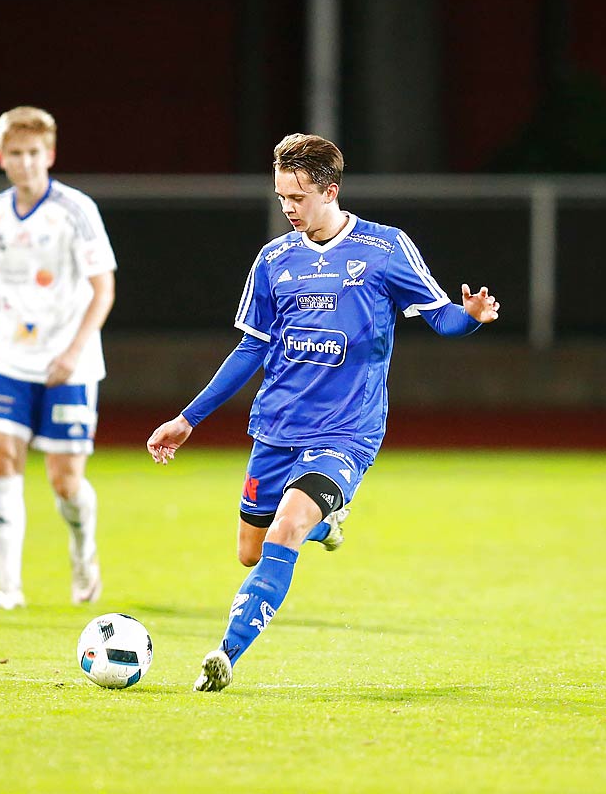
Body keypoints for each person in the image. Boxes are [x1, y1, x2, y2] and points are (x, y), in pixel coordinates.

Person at [147, 133, 500, 692]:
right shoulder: (274, 260)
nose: (287, 208)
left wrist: (472, 315)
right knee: (251, 552)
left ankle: (225, 654)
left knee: (286, 527)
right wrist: (188, 419)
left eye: (297, 197)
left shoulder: (385, 249)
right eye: (281, 196)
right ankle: (327, 523)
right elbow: (251, 349)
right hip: (278, 427)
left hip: (347, 431)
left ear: (330, 190)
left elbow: (441, 319)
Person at [0, 106, 118, 609]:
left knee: (64, 481)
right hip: (9, 358)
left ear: (48, 155)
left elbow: (103, 289)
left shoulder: (76, 209)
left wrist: (74, 351)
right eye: (16, 153)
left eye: (34, 153)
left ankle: (82, 551)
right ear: (1, 157)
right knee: (3, 458)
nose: (26, 163)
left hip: (69, 364)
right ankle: (8, 588)